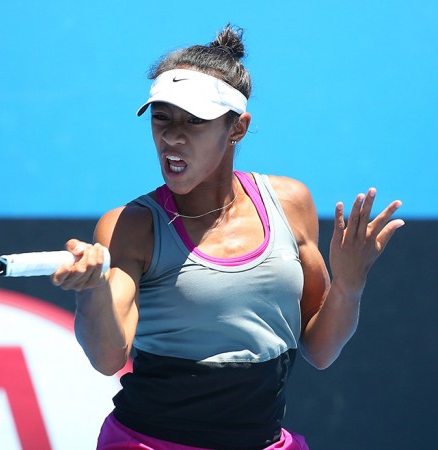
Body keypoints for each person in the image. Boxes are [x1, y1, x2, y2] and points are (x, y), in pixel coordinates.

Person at [52, 24, 404, 450]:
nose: (171, 136)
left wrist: (349, 283)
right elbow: (108, 357)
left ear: (236, 128)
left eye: (194, 121)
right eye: (162, 117)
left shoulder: (291, 203)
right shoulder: (130, 225)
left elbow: (321, 348)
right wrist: (91, 291)